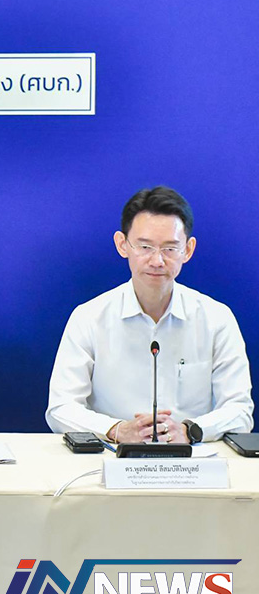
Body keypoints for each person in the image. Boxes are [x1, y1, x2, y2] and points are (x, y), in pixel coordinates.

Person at [46, 186, 253, 444]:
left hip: (193, 459)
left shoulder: (217, 319)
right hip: (110, 457)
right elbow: (61, 408)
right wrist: (117, 430)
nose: (157, 261)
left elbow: (240, 410)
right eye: (145, 247)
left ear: (188, 250)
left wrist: (189, 430)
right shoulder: (89, 317)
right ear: (122, 245)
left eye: (170, 249)